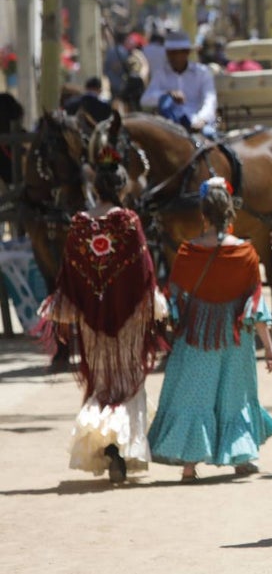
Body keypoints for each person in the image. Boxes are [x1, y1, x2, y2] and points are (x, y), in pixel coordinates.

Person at [38, 147, 166, 483]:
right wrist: (151, 309)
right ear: (122, 187)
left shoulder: (80, 225)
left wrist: (74, 310)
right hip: (128, 320)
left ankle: (107, 440)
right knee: (126, 381)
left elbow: (69, 274)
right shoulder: (128, 222)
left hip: (92, 320)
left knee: (104, 383)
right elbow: (144, 271)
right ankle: (120, 445)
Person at [147, 177, 272, 482]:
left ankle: (189, 465)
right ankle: (242, 455)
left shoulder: (187, 252)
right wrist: (269, 348)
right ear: (230, 213)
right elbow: (255, 306)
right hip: (235, 339)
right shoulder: (246, 253)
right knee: (236, 397)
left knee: (192, 396)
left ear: (203, 215)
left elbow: (174, 301)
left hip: (197, 337)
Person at [141, 31, 218, 138]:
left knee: (210, 136)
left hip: (196, 122)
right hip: (170, 126)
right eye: (171, 53)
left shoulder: (202, 73)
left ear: (186, 53)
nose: (174, 57)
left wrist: (202, 119)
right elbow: (145, 99)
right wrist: (167, 94)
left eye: (179, 52)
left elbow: (210, 100)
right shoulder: (161, 74)